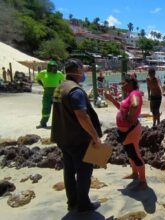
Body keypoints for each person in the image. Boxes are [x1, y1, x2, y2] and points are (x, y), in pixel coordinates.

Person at [51, 58, 102, 213]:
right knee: (84, 173)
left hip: (63, 137)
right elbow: (82, 116)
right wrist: (95, 137)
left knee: (69, 170)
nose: (84, 73)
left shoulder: (59, 87)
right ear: (78, 71)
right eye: (83, 70)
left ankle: (72, 202)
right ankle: (83, 204)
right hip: (78, 140)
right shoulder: (76, 91)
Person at [105, 75, 147, 190]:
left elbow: (135, 104)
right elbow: (121, 108)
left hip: (131, 130)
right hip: (126, 131)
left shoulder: (134, 93)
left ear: (130, 83)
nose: (121, 85)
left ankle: (143, 181)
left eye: (123, 83)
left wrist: (129, 117)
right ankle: (134, 174)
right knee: (130, 154)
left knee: (135, 155)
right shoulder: (130, 95)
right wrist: (112, 99)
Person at [35, 60, 65, 128]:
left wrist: (60, 88)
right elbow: (38, 79)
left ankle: (59, 124)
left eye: (54, 67)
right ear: (48, 67)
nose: (53, 68)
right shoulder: (43, 72)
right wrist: (43, 85)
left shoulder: (59, 73)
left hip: (56, 93)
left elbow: (63, 81)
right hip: (47, 93)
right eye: (52, 67)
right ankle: (43, 123)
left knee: (58, 109)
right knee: (46, 108)